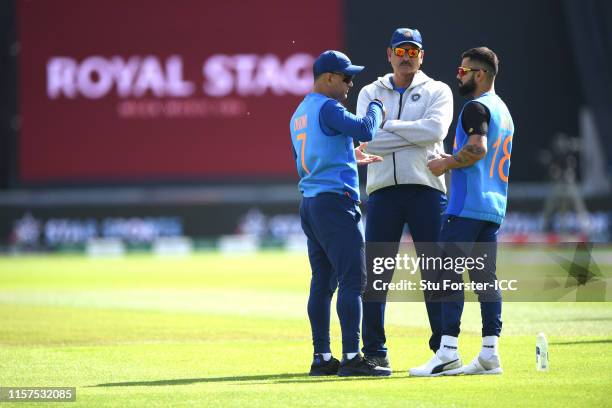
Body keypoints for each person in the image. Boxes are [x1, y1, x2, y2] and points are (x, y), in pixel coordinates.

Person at [409, 46, 514, 376]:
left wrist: (445, 163)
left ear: (479, 74)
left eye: (462, 71)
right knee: (486, 281)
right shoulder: (504, 111)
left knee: (446, 277)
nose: (459, 75)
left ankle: (448, 351)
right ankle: (489, 353)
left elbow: (477, 148)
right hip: (492, 208)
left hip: (466, 207)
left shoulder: (475, 107)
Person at [290, 50, 391, 377]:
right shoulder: (329, 107)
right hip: (335, 202)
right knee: (353, 280)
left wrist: (349, 156)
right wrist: (377, 106)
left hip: (311, 202)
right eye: (346, 77)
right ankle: (351, 358)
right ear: (328, 78)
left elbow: (316, 152)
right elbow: (365, 129)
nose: (351, 83)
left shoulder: (300, 112)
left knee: (323, 282)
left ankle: (322, 358)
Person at [357, 28, 453, 371]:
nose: (406, 57)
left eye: (413, 51)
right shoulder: (370, 90)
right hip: (383, 190)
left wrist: (391, 126)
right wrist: (413, 133)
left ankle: (444, 349)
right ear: (389, 53)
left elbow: (436, 132)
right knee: (377, 273)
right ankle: (374, 350)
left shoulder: (437, 90)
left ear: (421, 56)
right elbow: (368, 142)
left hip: (427, 188)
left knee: (435, 271)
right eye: (401, 50)